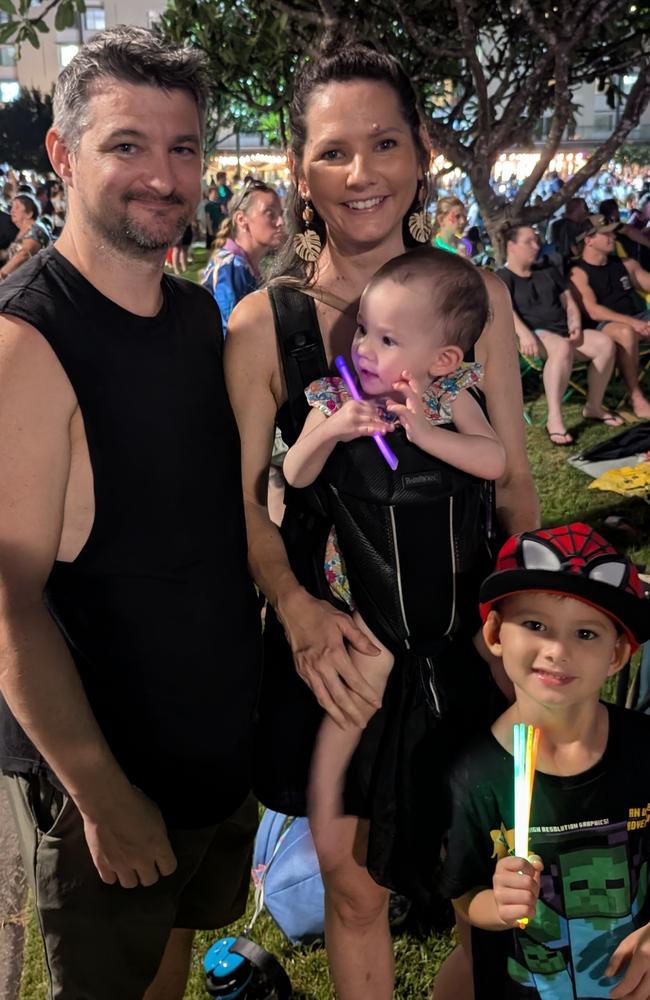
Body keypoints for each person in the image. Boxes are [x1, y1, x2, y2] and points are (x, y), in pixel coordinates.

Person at [225, 38, 538, 1000]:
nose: (361, 174)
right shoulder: (262, 324)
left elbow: (513, 486)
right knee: (353, 890)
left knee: (485, 887)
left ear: (419, 155)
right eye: (332, 151)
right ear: (298, 171)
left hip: (465, 644)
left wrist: (518, 627)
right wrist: (297, 604)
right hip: (341, 653)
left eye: (385, 143)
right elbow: (244, 499)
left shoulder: (473, 299)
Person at [0, 26, 261, 1000]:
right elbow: (8, 602)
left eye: (182, 147)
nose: (162, 175)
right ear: (63, 155)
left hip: (206, 744)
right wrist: (101, 796)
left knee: (172, 960)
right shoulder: (28, 339)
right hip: (107, 772)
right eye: (126, 145)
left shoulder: (196, 317)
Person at [283, 247, 506, 828]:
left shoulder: (448, 396)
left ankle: (512, 768)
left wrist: (426, 433)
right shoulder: (337, 396)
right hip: (367, 577)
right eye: (362, 330)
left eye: (386, 339)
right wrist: (331, 430)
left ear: (443, 358)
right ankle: (325, 802)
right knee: (365, 683)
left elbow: (493, 460)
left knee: (492, 663)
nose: (363, 349)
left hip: (451, 573)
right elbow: (296, 472)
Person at [441, 522, 650, 1000]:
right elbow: (463, 891)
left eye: (585, 633)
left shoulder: (644, 749)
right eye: (535, 626)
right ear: (495, 632)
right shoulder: (475, 775)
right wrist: (498, 905)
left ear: (617, 654)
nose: (558, 651)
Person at [498, 226, 621, 446]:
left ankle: (594, 406)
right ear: (511, 246)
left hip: (563, 333)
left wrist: (574, 321)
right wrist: (524, 334)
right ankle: (554, 419)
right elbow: (506, 310)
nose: (536, 246)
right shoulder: (502, 278)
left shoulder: (547, 269)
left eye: (537, 240)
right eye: (529, 242)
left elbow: (569, 301)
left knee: (604, 343)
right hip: (534, 337)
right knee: (562, 348)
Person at [570, 214, 650, 419]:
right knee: (625, 332)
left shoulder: (626, 264)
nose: (612, 237)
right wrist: (635, 323)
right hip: (602, 326)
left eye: (613, 233)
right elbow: (593, 311)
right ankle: (635, 396)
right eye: (606, 234)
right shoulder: (578, 273)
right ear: (588, 240)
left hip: (638, 317)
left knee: (630, 330)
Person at [202, 178, 285, 328]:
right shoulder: (230, 269)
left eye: (281, 214)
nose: (281, 222)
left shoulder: (244, 265)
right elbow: (233, 335)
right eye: (270, 214)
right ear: (241, 220)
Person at [0, 194, 50, 280]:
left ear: (29, 213)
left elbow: (23, 254)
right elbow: (9, 253)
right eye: (12, 207)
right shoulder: (22, 232)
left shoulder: (36, 229)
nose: (12, 211)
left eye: (17, 207)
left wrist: (2, 273)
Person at [547, 197, 589, 262]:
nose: (585, 211)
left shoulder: (556, 224)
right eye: (583, 208)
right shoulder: (570, 225)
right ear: (577, 209)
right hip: (572, 261)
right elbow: (573, 248)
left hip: (559, 261)